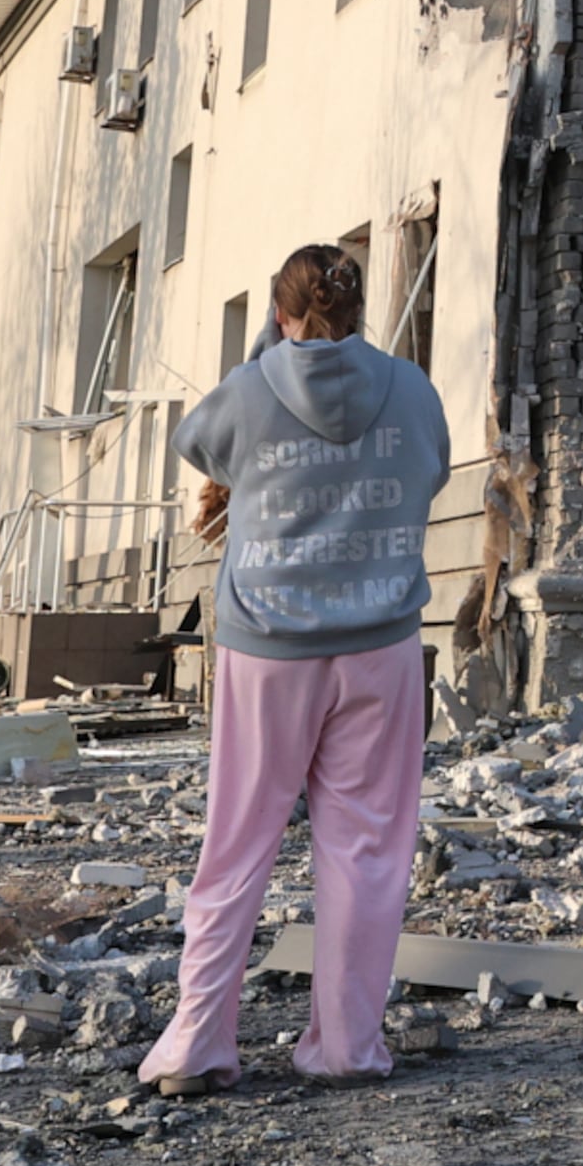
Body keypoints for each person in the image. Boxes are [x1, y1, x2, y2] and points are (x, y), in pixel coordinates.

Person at [140, 243, 450, 1095]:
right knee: (367, 850)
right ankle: (347, 1046)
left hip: (268, 646)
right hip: (381, 644)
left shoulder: (249, 390)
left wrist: (267, 369)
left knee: (238, 843)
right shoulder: (414, 390)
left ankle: (199, 1044)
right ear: (359, 311)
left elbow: (196, 444)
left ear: (280, 314)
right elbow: (430, 472)